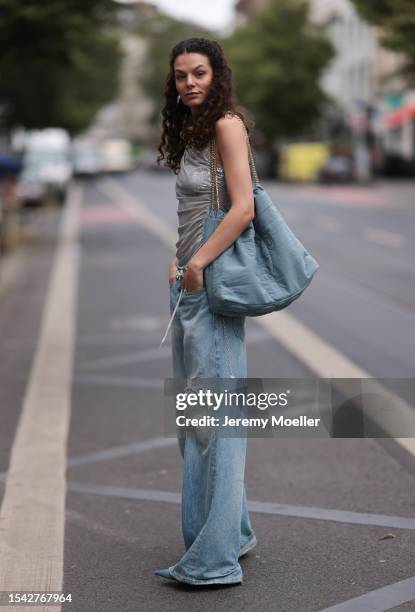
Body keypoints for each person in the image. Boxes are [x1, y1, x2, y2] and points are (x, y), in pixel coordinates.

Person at [155, 37, 257, 586]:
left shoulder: (226, 126)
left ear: (216, 75)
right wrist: (176, 261)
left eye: (199, 73)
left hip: (211, 290)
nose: (190, 83)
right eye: (180, 76)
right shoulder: (193, 133)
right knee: (195, 423)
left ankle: (213, 560)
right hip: (187, 286)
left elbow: (243, 207)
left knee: (215, 424)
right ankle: (232, 534)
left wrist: (196, 264)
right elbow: (196, 207)